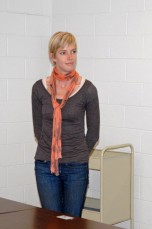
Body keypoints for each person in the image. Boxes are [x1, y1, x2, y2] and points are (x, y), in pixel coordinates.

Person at [31, 31, 100, 217]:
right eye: (63, 52)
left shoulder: (87, 89)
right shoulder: (39, 88)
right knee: (51, 221)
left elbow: (93, 133)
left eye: (73, 51)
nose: (70, 57)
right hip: (45, 165)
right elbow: (38, 129)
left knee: (71, 222)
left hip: (76, 166)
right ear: (52, 56)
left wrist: (77, 154)